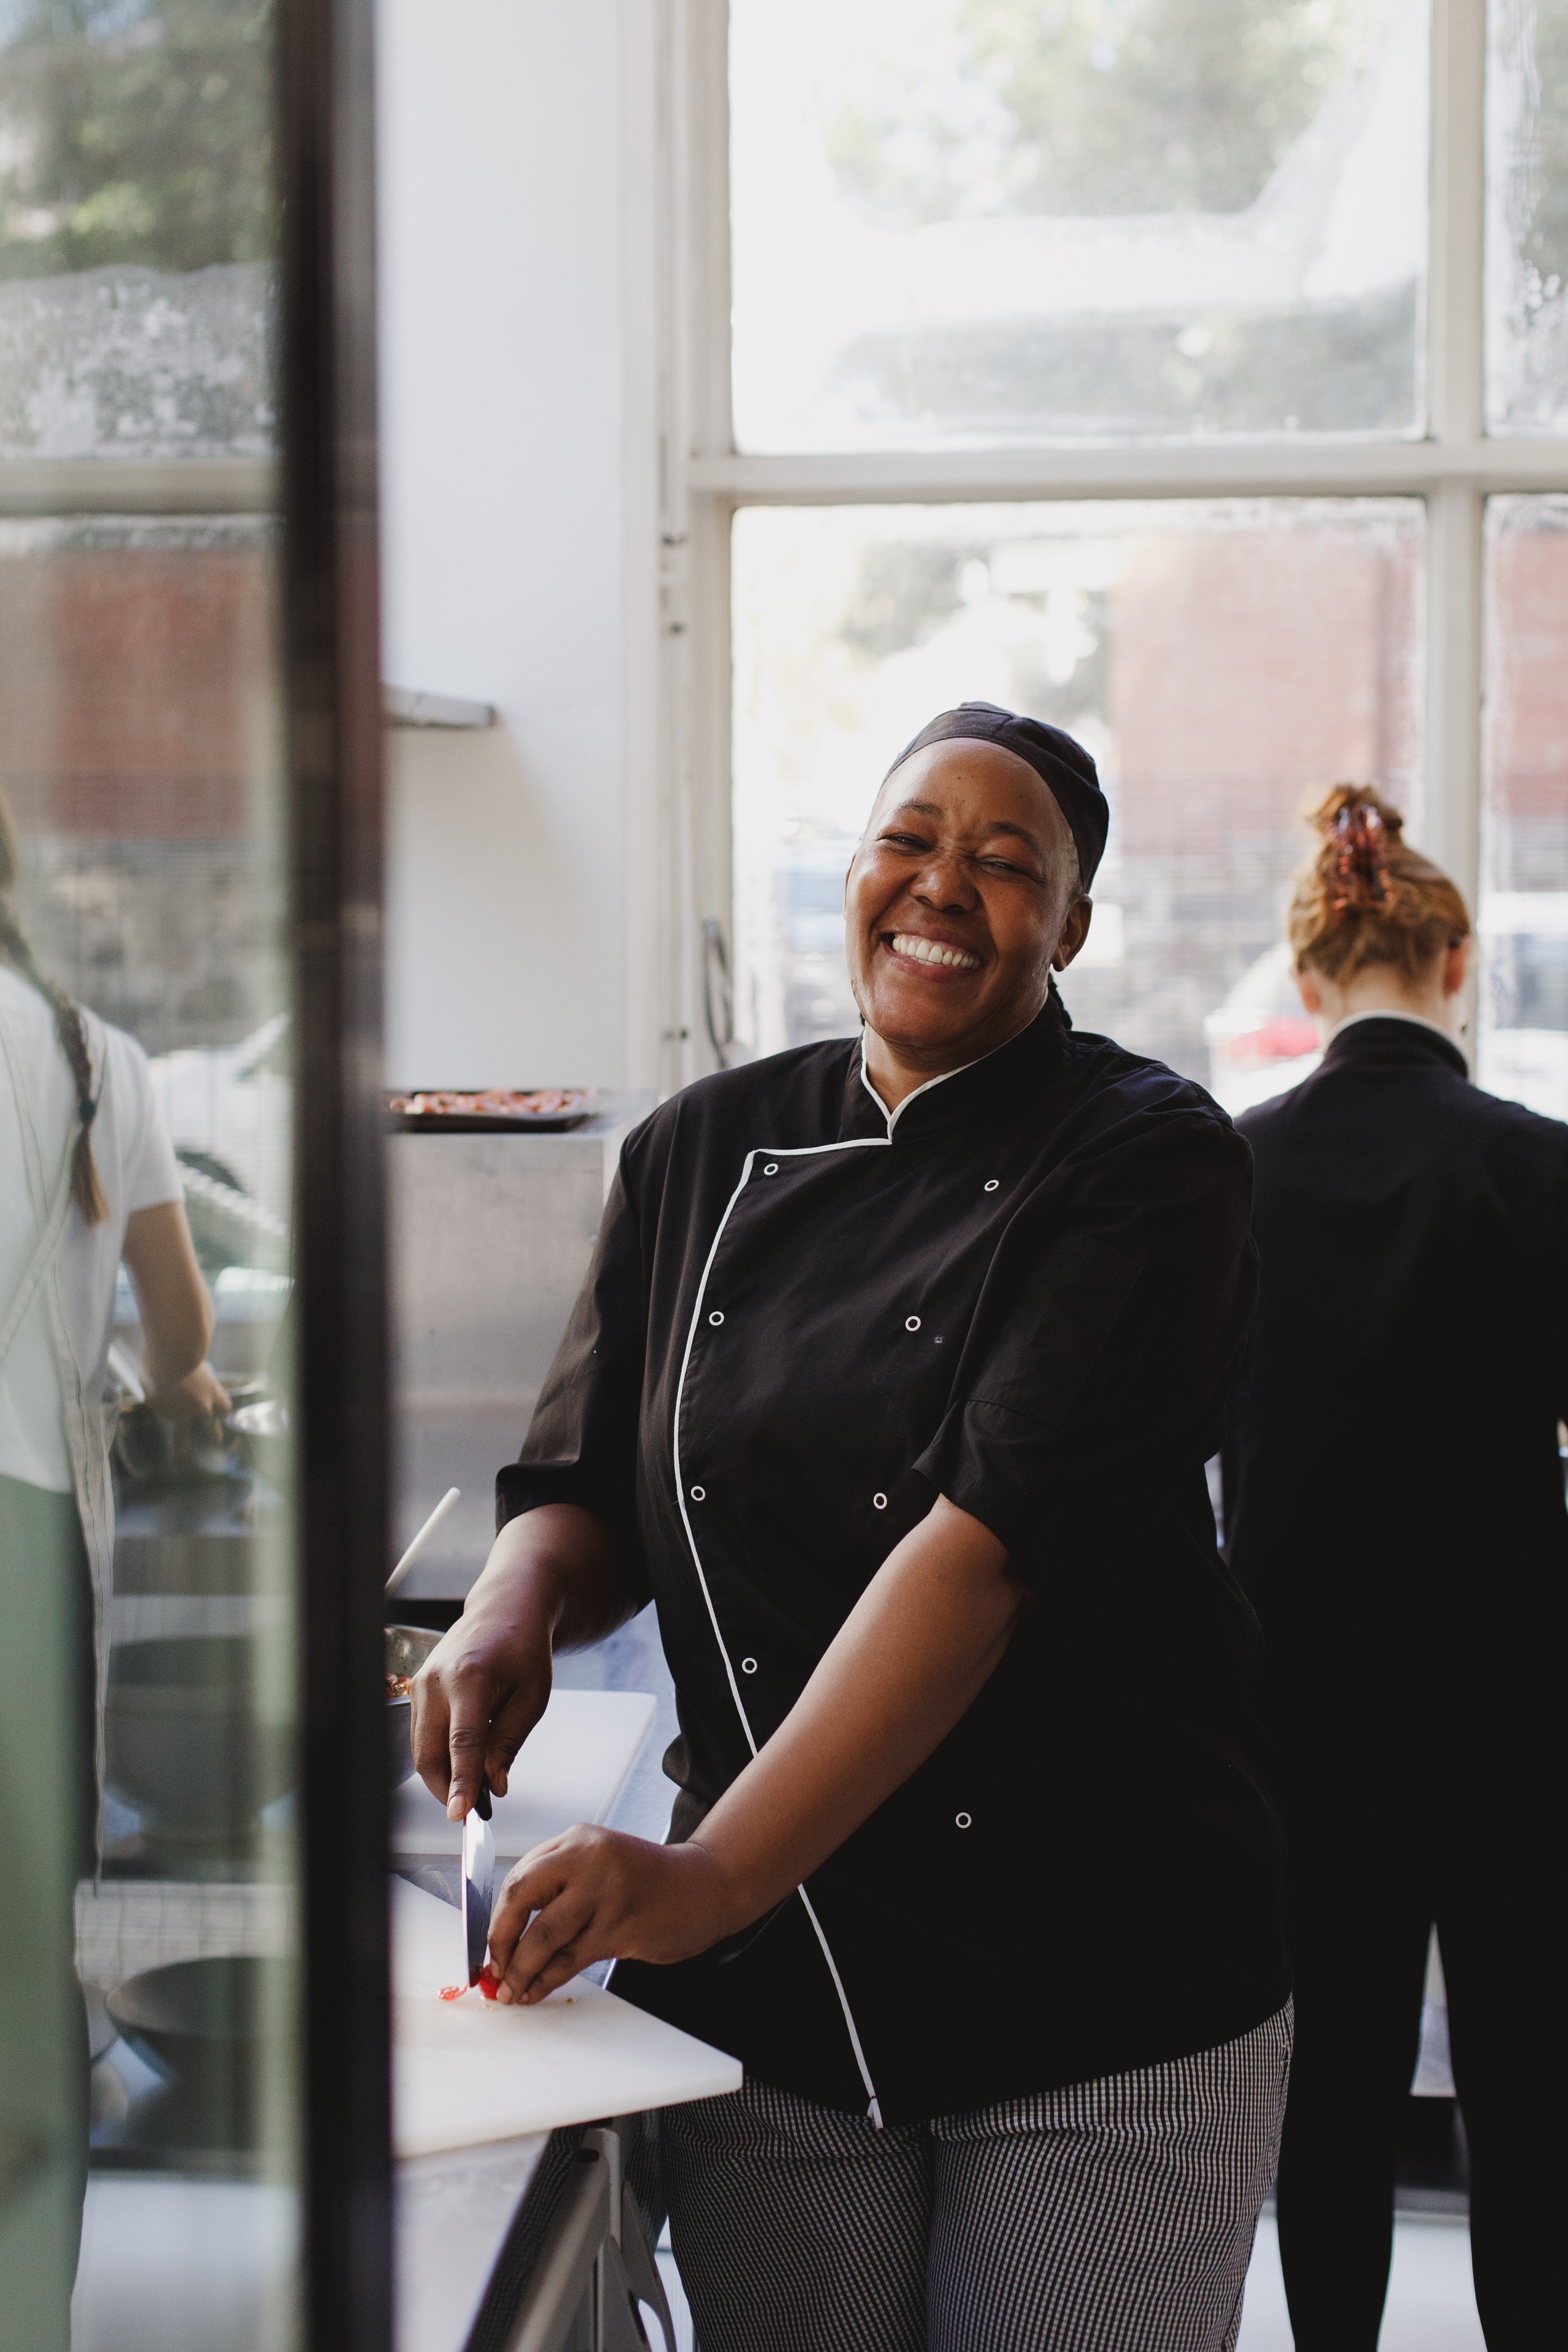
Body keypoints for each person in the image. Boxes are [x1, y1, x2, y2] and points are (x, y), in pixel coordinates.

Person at [415, 702, 1291, 2352]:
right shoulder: (697, 1146)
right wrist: (506, 1611)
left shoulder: (1147, 1157)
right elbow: (585, 1482)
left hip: (1096, 1967)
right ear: (853, 873)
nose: (941, 884)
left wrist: (704, 1878)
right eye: (908, 838)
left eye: (1004, 861)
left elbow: (978, 1551)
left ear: (1069, 927)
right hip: (781, 1988)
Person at [1221, 786, 1564, 2351]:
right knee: (1530, 2089)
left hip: (1295, 1715)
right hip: (1514, 1710)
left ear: (1307, 979)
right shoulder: (1535, 1167)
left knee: (1332, 2094)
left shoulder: (1226, 1172)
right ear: (1456, 963)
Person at [0, 792, 229, 2352]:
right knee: (26, 1967)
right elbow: (181, 1323)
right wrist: (172, 1381)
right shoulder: (94, 1055)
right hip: (28, 1547)